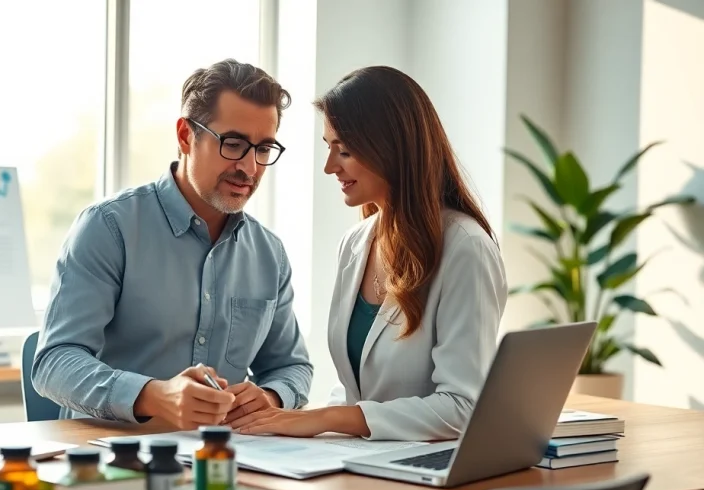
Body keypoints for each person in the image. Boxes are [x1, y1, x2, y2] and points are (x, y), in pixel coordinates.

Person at [32, 59, 313, 430]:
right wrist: (153, 395)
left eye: (263, 149)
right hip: (115, 460)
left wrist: (271, 396)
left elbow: (291, 366)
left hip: (226, 461)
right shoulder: (108, 227)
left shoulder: (268, 254)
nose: (249, 167)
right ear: (185, 136)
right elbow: (54, 362)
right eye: (233, 144)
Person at [233, 65, 507, 441]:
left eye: (343, 150)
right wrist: (288, 423)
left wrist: (327, 419)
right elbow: (355, 392)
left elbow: (463, 407)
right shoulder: (355, 244)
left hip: (426, 478)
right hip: (362, 464)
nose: (330, 167)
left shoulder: (466, 248)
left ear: (391, 148)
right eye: (328, 148)